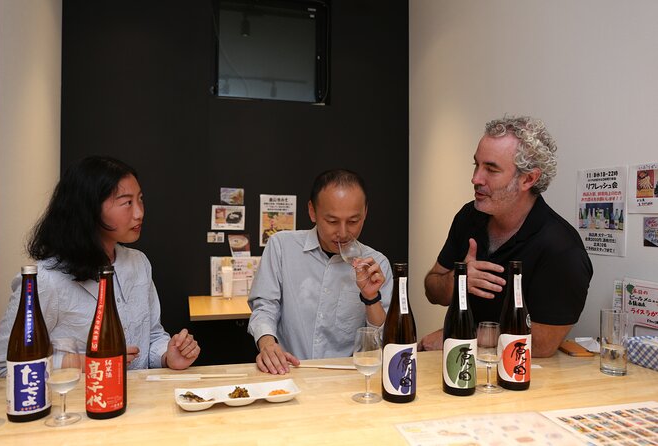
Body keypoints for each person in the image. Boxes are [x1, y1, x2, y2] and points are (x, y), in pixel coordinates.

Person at [0, 156, 200, 375]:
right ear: (89, 209)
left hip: (138, 402)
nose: (139, 212)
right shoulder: (46, 279)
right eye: (127, 203)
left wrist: (167, 356)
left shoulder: (138, 263)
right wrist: (83, 363)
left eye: (140, 200)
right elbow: (2, 363)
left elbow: (152, 335)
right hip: (76, 405)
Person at [420, 116, 593, 358]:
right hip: (463, 365)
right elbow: (432, 290)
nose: (476, 178)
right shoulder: (469, 216)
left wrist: (460, 335)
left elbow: (543, 344)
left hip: (522, 380)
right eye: (476, 165)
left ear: (528, 179)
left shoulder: (561, 248)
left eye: (491, 169)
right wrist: (457, 279)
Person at [248, 169, 392, 375]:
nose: (343, 233)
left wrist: (371, 298)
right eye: (332, 221)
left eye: (353, 221)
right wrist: (267, 344)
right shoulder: (282, 246)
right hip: (288, 372)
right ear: (312, 211)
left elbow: (382, 340)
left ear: (365, 213)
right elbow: (264, 306)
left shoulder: (377, 264)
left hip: (349, 379)